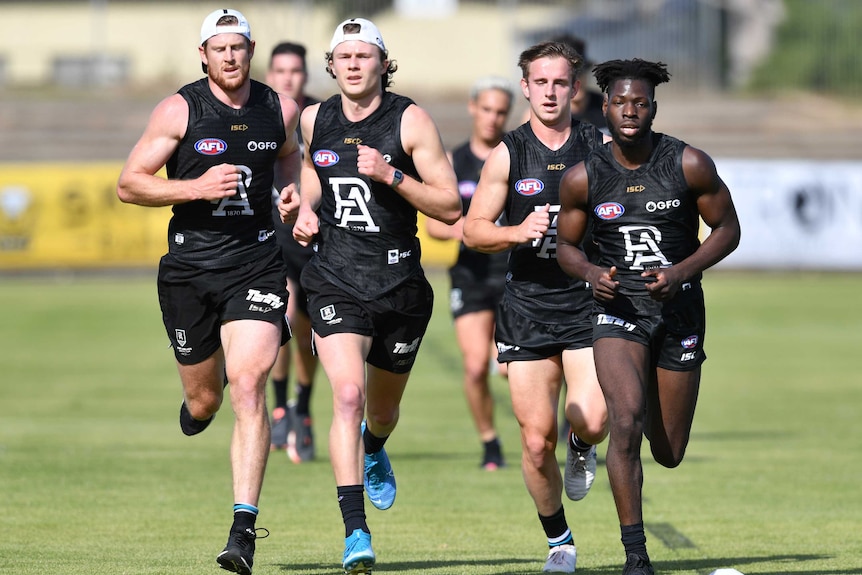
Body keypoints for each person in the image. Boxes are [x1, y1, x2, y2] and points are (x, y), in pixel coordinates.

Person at [116, 9, 301, 575]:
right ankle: (200, 400)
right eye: (219, 48)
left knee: (249, 385)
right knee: (207, 400)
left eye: (238, 48)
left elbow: (289, 154)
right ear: (203, 54)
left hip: (259, 266)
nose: (229, 57)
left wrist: (292, 195)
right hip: (190, 272)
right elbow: (129, 184)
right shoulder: (180, 109)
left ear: (251, 51)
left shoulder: (279, 107)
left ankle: (242, 531)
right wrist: (194, 187)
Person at [287, 18, 461, 575]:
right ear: (331, 65)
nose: (355, 64)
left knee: (380, 411)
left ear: (385, 64)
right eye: (345, 56)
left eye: (366, 55)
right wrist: (306, 208)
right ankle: (355, 531)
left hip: (400, 284)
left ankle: (375, 445)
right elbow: (317, 173)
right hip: (335, 278)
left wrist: (391, 176)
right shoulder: (316, 118)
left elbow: (449, 207)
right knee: (345, 396)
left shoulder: (410, 120)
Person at [556, 59, 741, 575]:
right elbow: (566, 249)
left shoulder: (689, 163)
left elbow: (728, 230)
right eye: (620, 102)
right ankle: (635, 554)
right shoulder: (583, 176)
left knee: (669, 449)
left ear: (653, 108)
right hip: (618, 313)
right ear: (604, 107)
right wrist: (591, 273)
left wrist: (682, 272)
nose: (630, 111)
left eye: (640, 103)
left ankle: (651, 422)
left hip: (679, 313)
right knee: (624, 420)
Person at [462, 41, 609, 574]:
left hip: (589, 303)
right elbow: (472, 229)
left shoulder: (600, 145)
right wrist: (515, 231)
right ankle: (559, 542)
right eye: (539, 82)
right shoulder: (509, 153)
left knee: (592, 418)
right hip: (526, 307)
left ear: (575, 88)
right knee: (532, 439)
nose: (550, 92)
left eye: (560, 83)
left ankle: (583, 444)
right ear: (525, 87)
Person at [425, 75, 514, 471]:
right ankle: (490, 442)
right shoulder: (453, 161)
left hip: (515, 274)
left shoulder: (516, 156)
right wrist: (473, 229)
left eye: (501, 112)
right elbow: (433, 225)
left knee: (513, 368)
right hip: (471, 276)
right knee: (477, 365)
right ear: (472, 108)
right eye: (487, 109)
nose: (493, 118)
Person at [265, 41, 321, 463]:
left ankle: (303, 405)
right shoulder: (260, 114)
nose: (289, 78)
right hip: (274, 235)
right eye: (281, 70)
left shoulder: (324, 116)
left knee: (308, 333)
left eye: (296, 71)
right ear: (271, 74)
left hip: (319, 236)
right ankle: (280, 405)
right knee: (280, 317)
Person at [520, 34, 605, 133]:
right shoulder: (538, 115)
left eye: (579, 72)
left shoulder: (602, 105)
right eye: (564, 78)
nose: (575, 79)